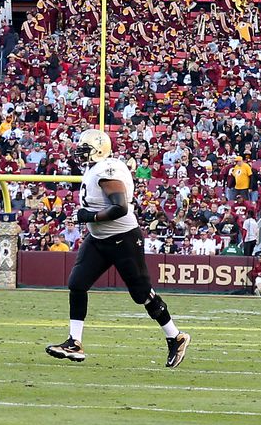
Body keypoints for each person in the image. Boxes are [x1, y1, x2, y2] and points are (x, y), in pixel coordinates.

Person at [46, 129, 190, 367]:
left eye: (85, 148)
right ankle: (75, 342)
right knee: (77, 284)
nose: (80, 152)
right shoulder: (94, 168)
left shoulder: (106, 171)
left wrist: (89, 216)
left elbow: (120, 208)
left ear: (98, 149)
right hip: (98, 239)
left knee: (142, 294)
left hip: (123, 238)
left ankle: (175, 336)